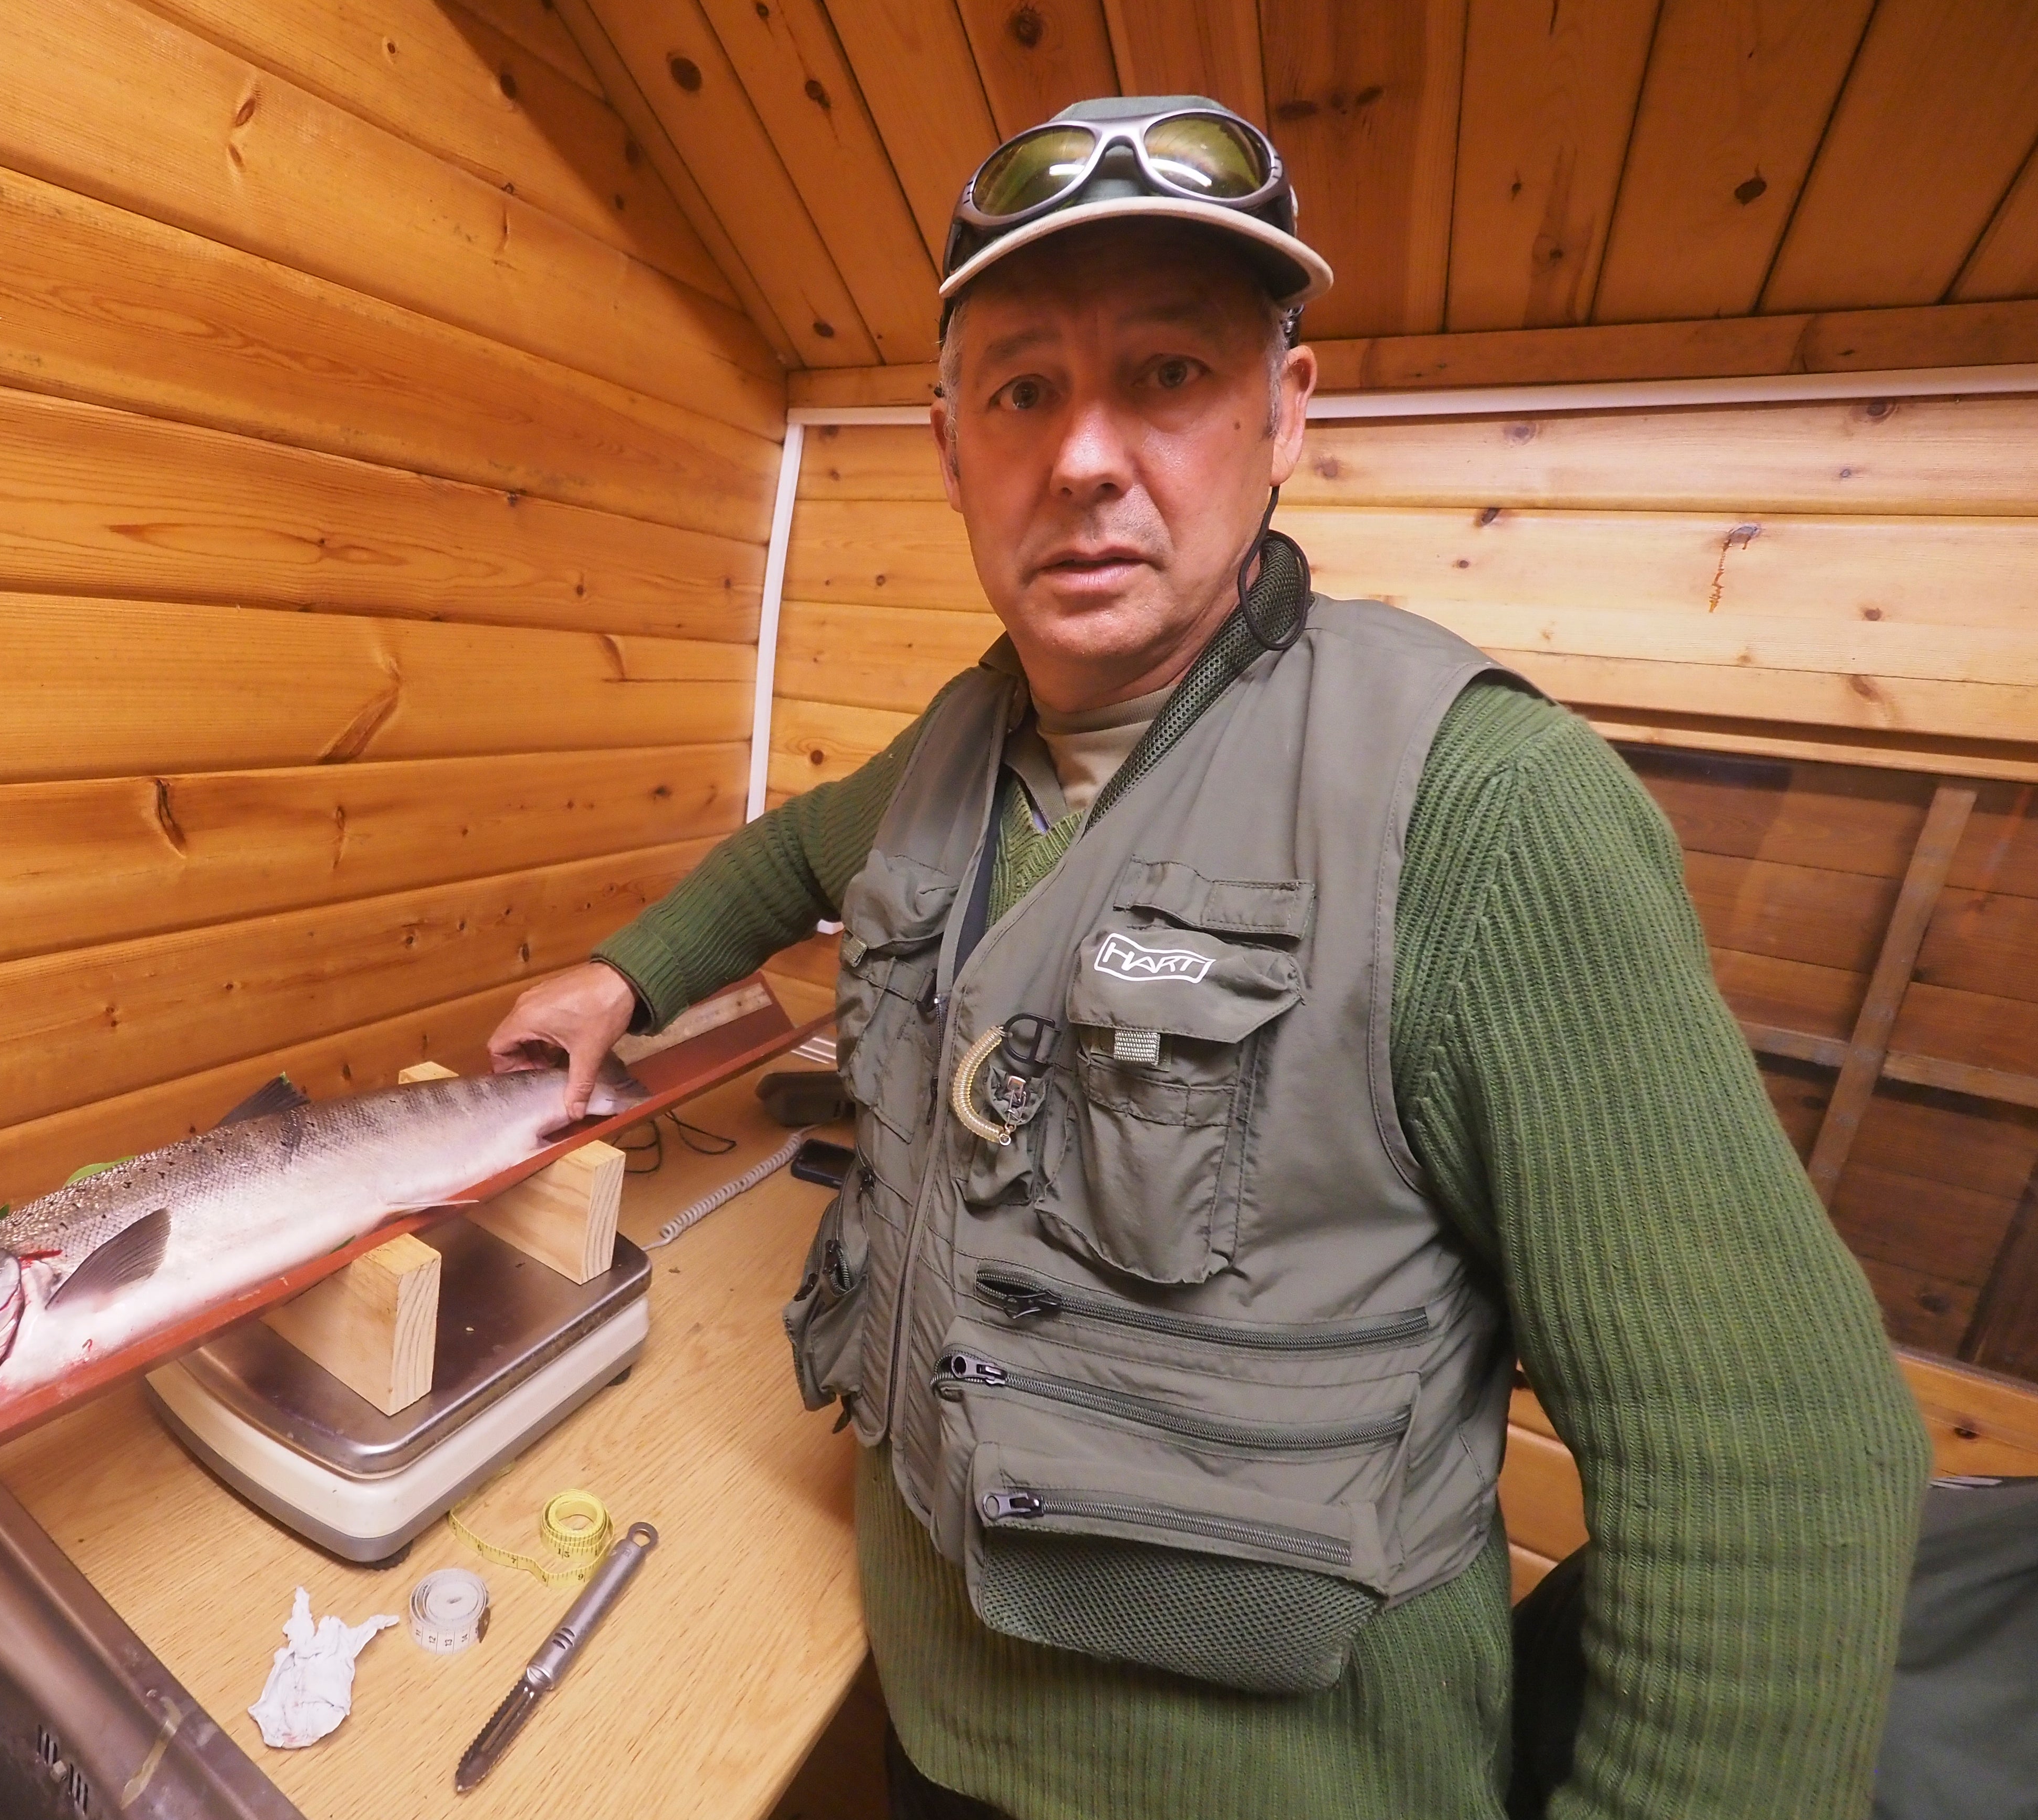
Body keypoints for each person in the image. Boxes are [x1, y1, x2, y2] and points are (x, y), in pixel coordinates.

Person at [489, 95, 1928, 1820]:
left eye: (1167, 375)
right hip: (936, 1734)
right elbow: (796, 851)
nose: (1086, 455)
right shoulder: (955, 747)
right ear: (953, 451)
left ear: (1283, 417)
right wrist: (621, 977)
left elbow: (1779, 1487)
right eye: (1024, 390)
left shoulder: (1483, 814)